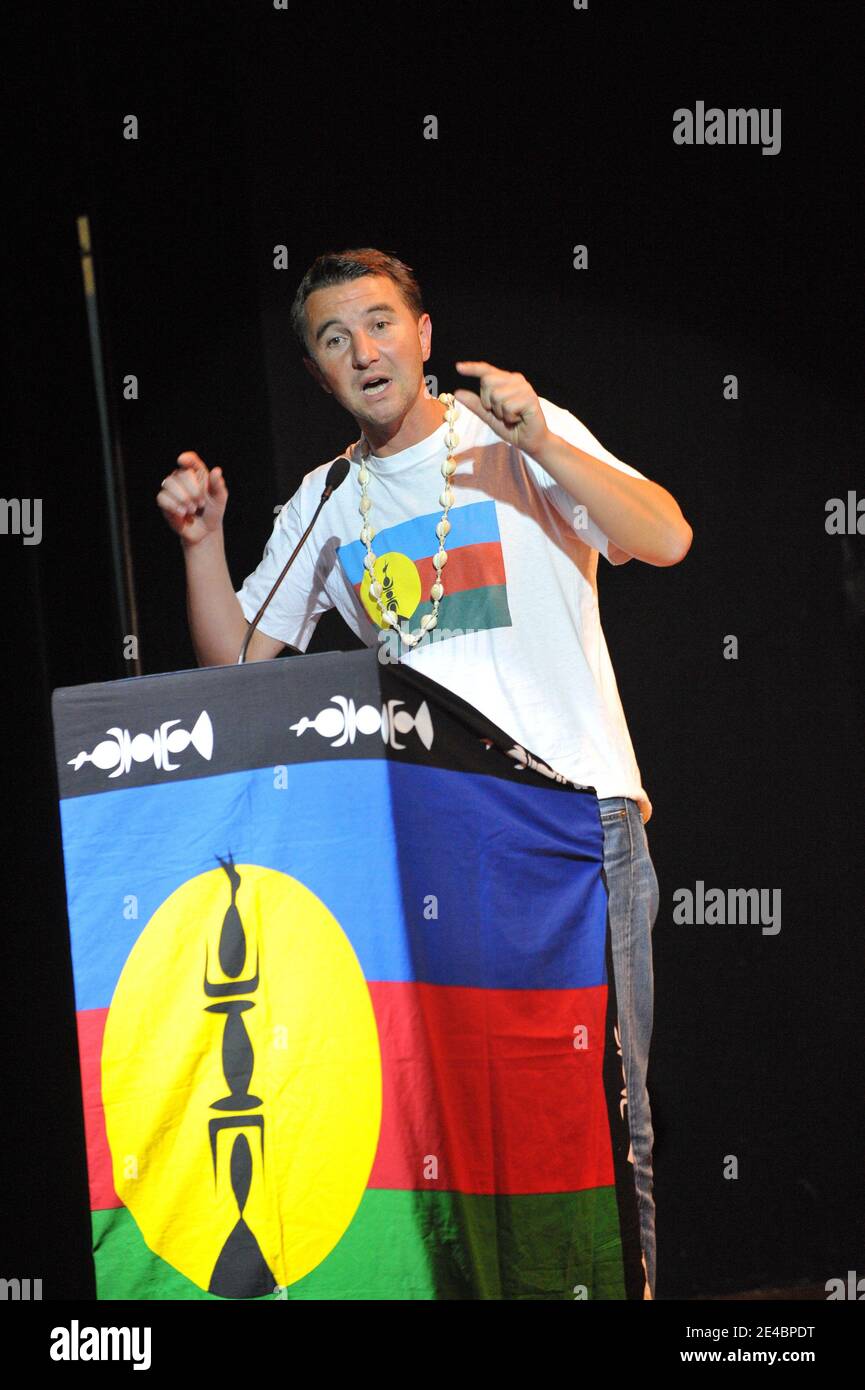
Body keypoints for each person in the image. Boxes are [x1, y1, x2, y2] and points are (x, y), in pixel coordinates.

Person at [157, 247, 693, 1299]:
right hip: (428, 858)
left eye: (379, 323)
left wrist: (538, 438)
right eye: (332, 337)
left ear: (423, 333)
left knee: (597, 1117)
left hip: (569, 834)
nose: (363, 351)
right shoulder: (324, 499)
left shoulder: (513, 436)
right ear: (318, 372)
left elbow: (665, 536)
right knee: (453, 1128)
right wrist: (201, 543)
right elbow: (237, 672)